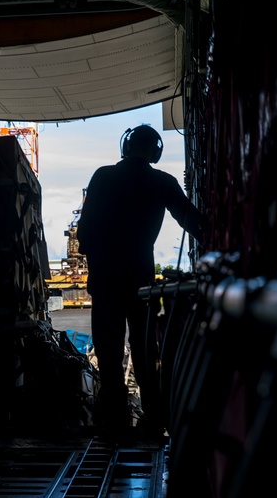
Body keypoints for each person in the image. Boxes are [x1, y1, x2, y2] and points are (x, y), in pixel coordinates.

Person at [76, 124, 205, 438]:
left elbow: (84, 233)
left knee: (107, 349)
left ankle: (114, 419)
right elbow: (195, 223)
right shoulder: (162, 182)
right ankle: (153, 417)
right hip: (141, 282)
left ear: (127, 147)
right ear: (154, 151)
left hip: (105, 280)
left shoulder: (102, 176)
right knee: (146, 350)